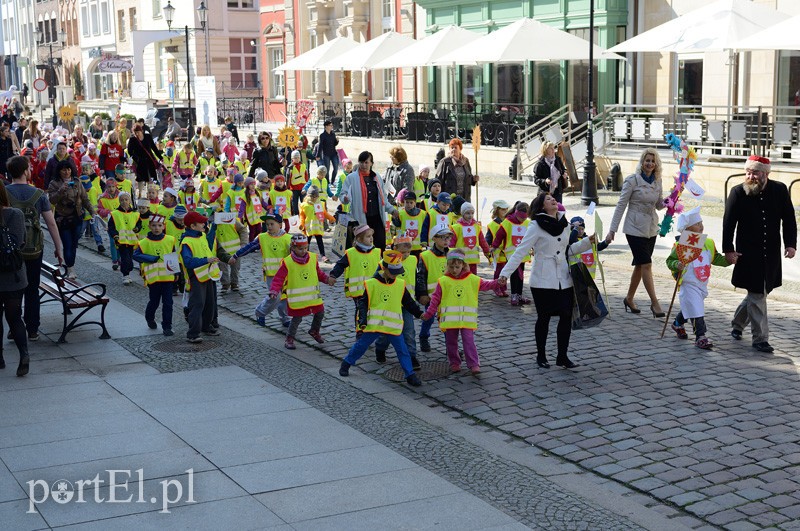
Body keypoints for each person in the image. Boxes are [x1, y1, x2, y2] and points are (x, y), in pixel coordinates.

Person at [500, 193, 596, 370]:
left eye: (554, 198)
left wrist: (586, 243)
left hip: (563, 278)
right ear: (542, 206)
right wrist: (505, 273)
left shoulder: (564, 223)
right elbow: (521, 251)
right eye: (548, 199)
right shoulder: (536, 225)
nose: (553, 200)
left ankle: (562, 356)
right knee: (543, 318)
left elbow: (568, 250)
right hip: (543, 279)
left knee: (566, 316)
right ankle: (541, 355)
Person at [722, 155, 796, 353]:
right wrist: (728, 250)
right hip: (748, 252)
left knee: (759, 293)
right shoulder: (738, 192)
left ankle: (737, 324)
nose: (750, 176)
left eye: (755, 172)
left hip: (770, 252)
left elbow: (789, 219)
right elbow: (728, 223)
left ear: (765, 173)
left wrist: (791, 244)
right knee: (757, 293)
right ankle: (760, 338)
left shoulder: (779, 190)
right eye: (748, 172)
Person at [338, 249, 424, 387]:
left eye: (398, 272)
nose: (396, 275)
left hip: (392, 326)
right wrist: (362, 321)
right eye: (393, 272)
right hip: (374, 325)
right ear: (384, 268)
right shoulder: (371, 284)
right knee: (361, 345)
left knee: (403, 350)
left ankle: (410, 375)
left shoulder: (400, 284)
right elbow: (363, 304)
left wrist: (419, 313)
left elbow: (409, 302)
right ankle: (347, 362)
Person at [5, 155, 63, 341]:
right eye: (29, 167)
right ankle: (32, 329)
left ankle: (14, 328)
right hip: (33, 249)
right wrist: (58, 248)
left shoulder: (3, 193)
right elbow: (51, 224)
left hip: (9, 251)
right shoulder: (38, 194)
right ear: (25, 171)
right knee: (32, 288)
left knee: (12, 291)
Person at [421, 248, 504, 375]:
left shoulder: (472, 279)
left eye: (457, 267)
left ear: (463, 265)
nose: (454, 270)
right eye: (452, 267)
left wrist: (497, 283)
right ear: (447, 266)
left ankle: (474, 364)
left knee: (468, 341)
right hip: (450, 320)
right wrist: (429, 314)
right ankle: (454, 362)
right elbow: (435, 300)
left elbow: (486, 285)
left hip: (466, 319)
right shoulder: (443, 281)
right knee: (451, 342)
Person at [605, 147, 666, 317]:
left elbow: (659, 205)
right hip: (634, 227)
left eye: (653, 161)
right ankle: (655, 303)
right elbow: (621, 205)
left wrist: (670, 200)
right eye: (647, 160)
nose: (650, 164)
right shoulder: (632, 180)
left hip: (651, 228)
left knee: (640, 265)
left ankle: (629, 298)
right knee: (646, 264)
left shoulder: (658, 181)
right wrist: (612, 230)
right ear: (642, 162)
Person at [666, 207, 730, 350]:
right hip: (687, 283)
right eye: (697, 224)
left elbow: (716, 258)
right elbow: (669, 261)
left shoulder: (708, 243)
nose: (701, 226)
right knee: (696, 308)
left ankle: (677, 323)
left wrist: (729, 260)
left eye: (701, 223)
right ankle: (700, 336)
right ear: (687, 229)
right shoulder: (680, 245)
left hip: (701, 283)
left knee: (692, 306)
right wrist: (677, 264)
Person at [180, 211, 234, 343]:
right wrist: (206, 260)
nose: (205, 224)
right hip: (196, 277)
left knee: (210, 303)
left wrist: (215, 227)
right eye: (201, 222)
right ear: (193, 226)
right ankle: (193, 333)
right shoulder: (186, 242)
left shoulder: (202, 235)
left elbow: (210, 245)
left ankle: (206, 326)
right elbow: (188, 262)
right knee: (197, 305)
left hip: (208, 275)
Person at [269, 234, 330, 349]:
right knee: (297, 319)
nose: (304, 251)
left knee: (320, 313)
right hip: (298, 299)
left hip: (313, 297)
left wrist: (326, 279)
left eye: (306, 248)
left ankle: (314, 331)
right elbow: (279, 278)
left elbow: (318, 273)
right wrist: (274, 291)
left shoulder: (312, 258)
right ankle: (289, 338)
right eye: (300, 248)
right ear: (293, 248)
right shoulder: (287, 262)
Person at [234, 212, 292, 328]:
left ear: (280, 224)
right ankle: (260, 312)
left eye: (272, 224)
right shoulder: (262, 238)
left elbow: (295, 255)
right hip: (271, 274)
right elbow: (249, 247)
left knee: (285, 297)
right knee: (274, 297)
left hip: (286, 274)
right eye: (267, 224)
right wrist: (236, 255)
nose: (269, 227)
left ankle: (284, 318)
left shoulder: (288, 239)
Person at [0, 181, 30, 376]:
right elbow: (20, 242)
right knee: (15, 318)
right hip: (14, 275)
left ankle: (0, 358)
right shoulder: (15, 214)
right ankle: (24, 354)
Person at [340, 151, 395, 251]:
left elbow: (383, 198)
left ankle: (378, 266)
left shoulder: (376, 177)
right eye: (361, 162)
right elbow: (342, 195)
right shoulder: (351, 178)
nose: (363, 165)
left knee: (380, 246)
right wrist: (345, 198)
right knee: (363, 247)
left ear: (371, 163)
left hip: (377, 217)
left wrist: (392, 210)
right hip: (361, 218)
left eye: (366, 162)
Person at [48, 159, 93, 279]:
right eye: (64, 170)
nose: (66, 172)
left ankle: (69, 264)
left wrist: (93, 212)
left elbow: (85, 198)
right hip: (63, 218)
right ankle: (70, 268)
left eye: (68, 169)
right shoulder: (54, 183)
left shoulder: (77, 181)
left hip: (77, 216)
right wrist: (61, 191)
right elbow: (51, 200)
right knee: (67, 244)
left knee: (74, 244)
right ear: (59, 171)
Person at [133, 214, 176, 336]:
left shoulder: (170, 239)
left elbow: (173, 256)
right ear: (149, 226)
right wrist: (151, 258)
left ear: (163, 226)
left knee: (168, 303)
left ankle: (167, 326)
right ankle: (149, 317)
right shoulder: (143, 242)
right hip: (153, 278)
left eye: (159, 225)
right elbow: (135, 255)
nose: (157, 228)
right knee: (154, 301)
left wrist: (177, 273)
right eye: (154, 225)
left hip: (167, 277)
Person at [416, 224, 451, 353]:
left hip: (448, 295)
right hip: (432, 296)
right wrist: (422, 294)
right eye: (442, 237)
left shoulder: (452, 253)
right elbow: (420, 276)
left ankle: (450, 347)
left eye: (448, 237)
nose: (446, 240)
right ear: (434, 239)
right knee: (429, 318)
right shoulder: (425, 256)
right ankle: (423, 336)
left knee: (447, 320)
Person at [490, 201, 531, 306]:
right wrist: (494, 247)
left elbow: (532, 237)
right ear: (516, 213)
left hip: (523, 254)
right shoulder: (507, 223)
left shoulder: (527, 223)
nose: (523, 220)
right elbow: (499, 236)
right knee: (515, 275)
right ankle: (514, 295)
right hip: (511, 254)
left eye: (525, 218)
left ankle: (519, 295)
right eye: (521, 218)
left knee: (521, 275)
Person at [107, 192, 142, 285]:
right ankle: (125, 275)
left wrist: (137, 228)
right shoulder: (115, 214)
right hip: (121, 241)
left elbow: (139, 224)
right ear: (119, 201)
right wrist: (115, 235)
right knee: (125, 258)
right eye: (122, 200)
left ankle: (128, 272)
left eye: (126, 199)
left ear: (130, 200)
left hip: (131, 241)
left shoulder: (135, 214)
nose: (124, 202)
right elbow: (111, 227)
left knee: (130, 259)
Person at [451, 202, 491, 274]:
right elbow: (451, 243)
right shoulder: (457, 227)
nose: (470, 215)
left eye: (472, 213)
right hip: (460, 260)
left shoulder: (476, 227)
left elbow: (482, 240)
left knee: (472, 279)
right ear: (462, 214)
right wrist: (451, 256)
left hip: (473, 260)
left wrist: (487, 251)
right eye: (468, 213)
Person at [435, 138, 479, 203]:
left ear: (460, 149)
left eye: (455, 147)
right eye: (452, 148)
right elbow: (438, 180)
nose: (453, 150)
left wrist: (473, 179)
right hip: (450, 199)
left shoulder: (466, 161)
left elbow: (468, 177)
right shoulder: (445, 162)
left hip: (464, 198)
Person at [299, 186, 335, 262]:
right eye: (312, 196)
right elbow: (302, 216)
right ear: (308, 195)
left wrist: (331, 218)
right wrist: (301, 224)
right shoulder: (304, 205)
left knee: (320, 241)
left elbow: (324, 213)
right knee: (307, 242)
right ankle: (305, 255)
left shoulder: (321, 204)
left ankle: (323, 256)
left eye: (316, 196)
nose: (314, 198)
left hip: (318, 227)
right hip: (309, 227)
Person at [127, 124, 163, 198]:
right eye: (135, 132)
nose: (137, 134)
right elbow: (130, 151)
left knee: (151, 178)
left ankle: (149, 194)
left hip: (150, 160)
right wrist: (136, 159)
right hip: (140, 162)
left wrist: (160, 157)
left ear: (141, 130)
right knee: (140, 178)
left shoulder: (147, 137)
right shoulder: (133, 139)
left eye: (138, 132)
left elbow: (153, 147)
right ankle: (140, 193)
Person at [486, 199, 510, 297]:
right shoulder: (492, 225)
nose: (505, 211)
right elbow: (488, 238)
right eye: (502, 209)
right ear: (497, 210)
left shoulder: (508, 222)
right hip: (497, 251)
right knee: (499, 271)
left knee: (506, 270)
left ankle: (503, 288)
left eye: (506, 209)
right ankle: (496, 287)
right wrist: (488, 248)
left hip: (507, 251)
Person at [97, 177, 121, 270]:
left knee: (120, 241)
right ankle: (114, 260)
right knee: (112, 241)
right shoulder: (103, 199)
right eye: (109, 187)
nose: (111, 189)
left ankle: (119, 258)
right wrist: (107, 212)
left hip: (120, 223)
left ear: (116, 187)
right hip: (110, 224)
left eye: (113, 187)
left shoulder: (121, 196)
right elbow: (99, 210)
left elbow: (128, 206)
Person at [391, 191, 426, 255]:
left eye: (411, 202)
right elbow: (397, 226)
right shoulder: (400, 213)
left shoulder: (423, 214)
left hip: (418, 247)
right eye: (407, 202)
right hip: (404, 247)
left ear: (415, 203)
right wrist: (394, 219)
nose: (409, 204)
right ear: (404, 202)